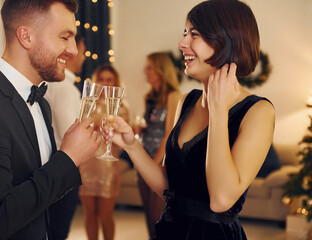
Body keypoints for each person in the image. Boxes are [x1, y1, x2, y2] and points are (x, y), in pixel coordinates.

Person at [102, 0, 275, 239]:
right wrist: (132, 146)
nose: (182, 43)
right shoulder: (187, 101)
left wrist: (218, 111)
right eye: (185, 33)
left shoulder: (258, 111)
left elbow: (221, 200)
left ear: (226, 40)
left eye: (194, 34)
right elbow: (170, 188)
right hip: (171, 229)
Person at [0, 0, 101, 239]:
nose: (73, 50)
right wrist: (69, 157)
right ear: (26, 37)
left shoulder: (41, 102)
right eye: (64, 37)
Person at [79, 65, 128, 240]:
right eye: (101, 79)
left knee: (106, 215)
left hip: (108, 166)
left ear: (115, 82)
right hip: (87, 165)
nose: (105, 83)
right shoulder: (87, 105)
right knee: (89, 213)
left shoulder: (121, 109)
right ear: (95, 81)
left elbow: (123, 145)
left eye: (109, 80)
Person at [44, 34, 86, 236]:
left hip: (49, 167)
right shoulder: (65, 88)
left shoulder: (52, 83)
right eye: (83, 51)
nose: (82, 56)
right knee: (58, 232)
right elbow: (71, 133)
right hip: (62, 169)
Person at [137, 52, 181, 238]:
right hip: (143, 156)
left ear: (161, 70)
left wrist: (153, 164)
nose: (145, 71)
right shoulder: (149, 97)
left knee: (158, 215)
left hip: (160, 161)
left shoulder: (173, 96)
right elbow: (148, 128)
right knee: (147, 212)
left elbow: (169, 133)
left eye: (149, 67)